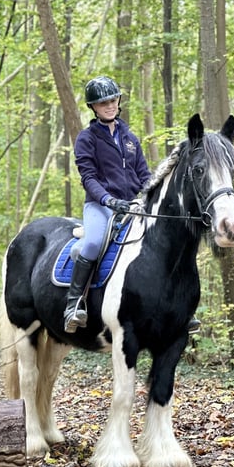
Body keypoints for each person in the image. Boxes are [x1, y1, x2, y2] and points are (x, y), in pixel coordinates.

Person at [63, 75, 152, 333]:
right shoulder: (86, 138)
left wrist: (151, 194)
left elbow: (144, 175)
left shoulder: (130, 138)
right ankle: (74, 304)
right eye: (103, 103)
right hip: (100, 205)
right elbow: (88, 177)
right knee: (92, 243)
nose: (110, 105)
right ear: (93, 107)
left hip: (133, 204)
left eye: (113, 100)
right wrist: (108, 199)